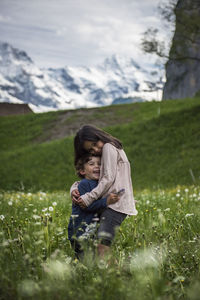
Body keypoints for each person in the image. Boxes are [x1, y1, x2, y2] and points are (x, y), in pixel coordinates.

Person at [71, 124, 138, 258]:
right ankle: (109, 273)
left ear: (99, 135)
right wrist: (74, 188)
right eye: (91, 149)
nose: (96, 149)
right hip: (109, 204)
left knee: (102, 245)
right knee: (99, 244)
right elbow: (94, 180)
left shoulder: (109, 147)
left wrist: (88, 198)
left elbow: (107, 179)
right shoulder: (108, 150)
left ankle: (113, 277)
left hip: (116, 204)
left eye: (95, 144)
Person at [68, 153, 119, 259]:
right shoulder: (84, 184)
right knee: (83, 258)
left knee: (92, 256)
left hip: (90, 229)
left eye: (100, 164)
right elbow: (87, 206)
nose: (97, 166)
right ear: (82, 171)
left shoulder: (100, 184)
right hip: (80, 230)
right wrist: (106, 201)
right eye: (92, 164)